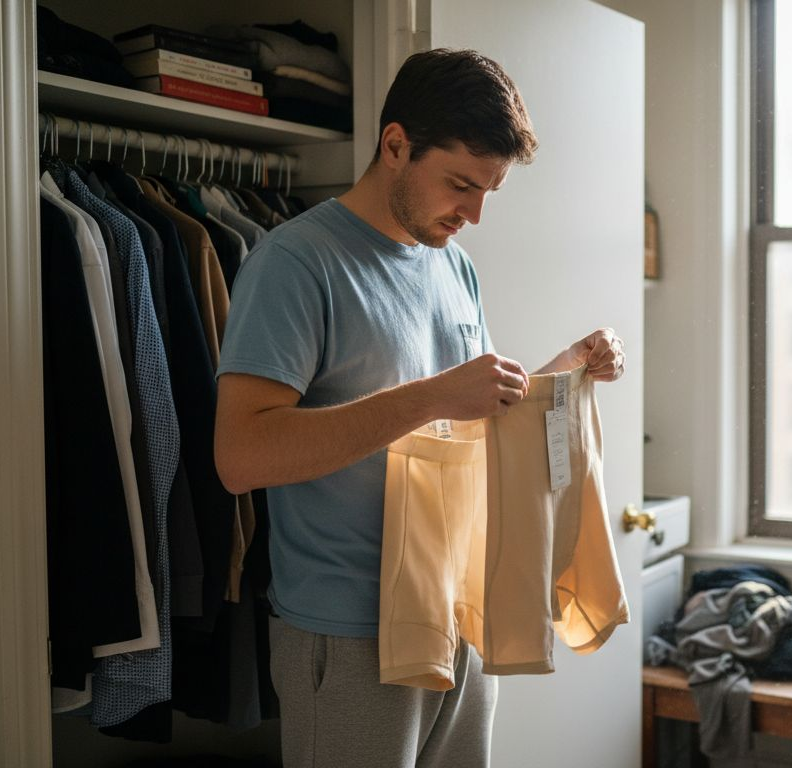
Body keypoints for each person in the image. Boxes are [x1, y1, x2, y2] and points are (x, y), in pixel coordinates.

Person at [214, 48, 626, 768]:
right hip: (350, 633)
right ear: (395, 145)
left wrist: (565, 370)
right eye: (461, 185)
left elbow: (471, 420)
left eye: (489, 191)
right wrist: (432, 396)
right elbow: (241, 457)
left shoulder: (452, 263)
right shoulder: (295, 264)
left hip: (460, 612)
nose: (474, 214)